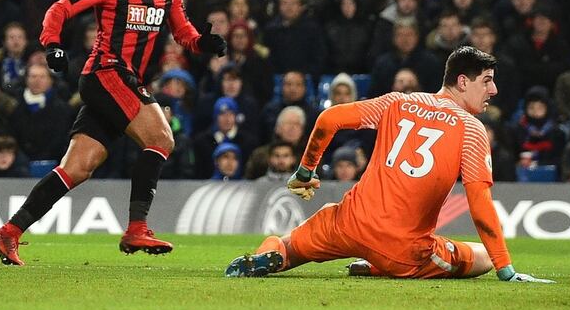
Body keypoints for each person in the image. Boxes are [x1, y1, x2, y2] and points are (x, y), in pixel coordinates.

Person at [0, 0, 227, 266]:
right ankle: (137, 227)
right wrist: (52, 44)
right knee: (161, 138)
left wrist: (202, 44)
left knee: (78, 168)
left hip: (125, 83)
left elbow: (183, 32)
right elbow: (59, 9)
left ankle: (10, 232)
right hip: (106, 74)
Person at [225, 46, 551, 283]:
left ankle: (266, 256)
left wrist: (306, 171)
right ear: (463, 82)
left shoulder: (399, 101)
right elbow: (480, 207)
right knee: (481, 258)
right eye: (487, 81)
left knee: (288, 246)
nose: (493, 90)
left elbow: (329, 117)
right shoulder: (471, 129)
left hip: (347, 223)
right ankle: (381, 264)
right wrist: (506, 268)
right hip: (405, 249)